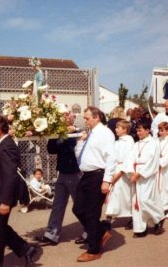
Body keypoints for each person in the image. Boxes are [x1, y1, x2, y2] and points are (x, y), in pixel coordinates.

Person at [0, 115, 37, 267]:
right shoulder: (0, 144)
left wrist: (5, 201)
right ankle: (25, 249)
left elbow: (10, 176)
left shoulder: (8, 146)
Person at [73, 106, 116, 262]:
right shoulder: (90, 134)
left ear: (97, 117)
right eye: (84, 118)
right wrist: (79, 144)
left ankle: (94, 249)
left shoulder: (105, 133)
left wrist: (107, 180)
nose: (85, 121)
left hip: (98, 176)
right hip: (86, 176)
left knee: (92, 213)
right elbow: (82, 157)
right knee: (77, 208)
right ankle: (100, 231)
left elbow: (111, 157)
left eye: (87, 118)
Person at [36, 130, 81, 245]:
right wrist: (54, 135)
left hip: (74, 172)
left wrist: (63, 136)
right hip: (62, 172)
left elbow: (70, 148)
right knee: (58, 204)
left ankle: (91, 231)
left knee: (81, 204)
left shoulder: (76, 132)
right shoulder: (59, 132)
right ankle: (52, 234)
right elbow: (51, 150)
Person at [127, 120, 165, 238]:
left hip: (146, 175)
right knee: (136, 202)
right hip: (135, 173)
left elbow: (153, 161)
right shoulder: (136, 144)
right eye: (137, 130)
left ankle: (158, 217)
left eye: (140, 130)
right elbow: (129, 159)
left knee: (144, 200)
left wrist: (140, 174)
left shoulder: (153, 143)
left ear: (147, 130)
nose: (138, 133)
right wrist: (131, 172)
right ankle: (140, 228)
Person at [105, 119, 134, 228]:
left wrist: (120, 173)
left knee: (125, 195)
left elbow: (128, 159)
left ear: (125, 129)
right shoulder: (117, 142)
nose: (115, 129)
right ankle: (109, 217)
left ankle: (132, 216)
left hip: (123, 172)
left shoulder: (129, 141)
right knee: (114, 195)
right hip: (115, 169)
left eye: (118, 127)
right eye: (116, 127)